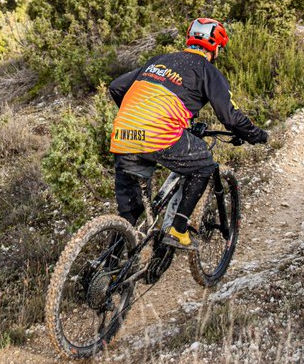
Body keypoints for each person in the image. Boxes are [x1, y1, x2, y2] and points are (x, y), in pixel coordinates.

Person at [108, 18, 268, 251]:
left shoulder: (158, 61)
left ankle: (108, 274)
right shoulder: (206, 70)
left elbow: (116, 87)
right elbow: (230, 116)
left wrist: (139, 115)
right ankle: (177, 229)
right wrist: (256, 135)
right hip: (158, 135)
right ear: (216, 48)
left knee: (129, 215)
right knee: (204, 165)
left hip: (124, 133)